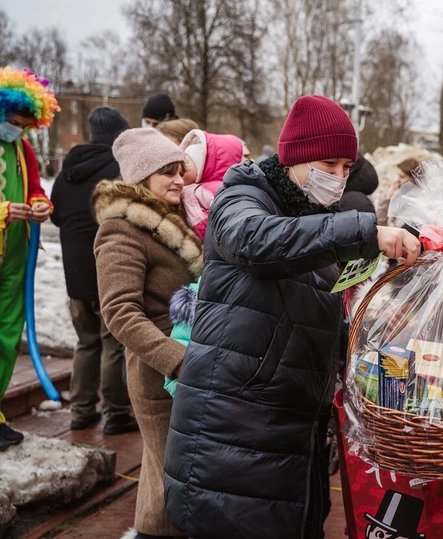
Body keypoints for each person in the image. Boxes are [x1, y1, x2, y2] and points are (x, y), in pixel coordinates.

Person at [163, 95, 420, 539]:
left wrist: (364, 337)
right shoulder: (243, 198)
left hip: (291, 438)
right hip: (233, 435)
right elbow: (257, 242)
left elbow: (305, 319)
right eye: (329, 164)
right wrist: (366, 231)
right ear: (295, 158)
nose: (338, 178)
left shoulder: (316, 219)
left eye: (346, 167)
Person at [94, 127, 202, 538]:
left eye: (179, 169)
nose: (178, 179)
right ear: (141, 177)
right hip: (160, 373)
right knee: (169, 478)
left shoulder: (170, 218)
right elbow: (119, 312)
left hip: (182, 366)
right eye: (166, 172)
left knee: (166, 477)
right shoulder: (122, 230)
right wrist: (177, 360)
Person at [50, 106, 137, 435]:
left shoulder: (68, 169)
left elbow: (56, 215)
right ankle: (116, 413)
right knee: (113, 342)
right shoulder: (119, 167)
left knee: (86, 342)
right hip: (107, 269)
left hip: (75, 277)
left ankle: (82, 410)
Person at [0, 66, 58, 451]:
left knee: (6, 336)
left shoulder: (23, 147)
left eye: (24, 124)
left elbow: (37, 188)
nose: (19, 129)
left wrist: (40, 205)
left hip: (16, 257)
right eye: (13, 122)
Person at [179, 128, 245, 239]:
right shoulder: (187, 186)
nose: (181, 167)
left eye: (186, 163)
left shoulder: (212, 189)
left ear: (202, 167)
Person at [376, 157, 421, 227]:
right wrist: (388, 198)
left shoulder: (415, 202)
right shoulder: (397, 193)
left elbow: (394, 227)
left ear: (413, 180)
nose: (397, 180)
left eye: (402, 177)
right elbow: (379, 221)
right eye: (398, 176)